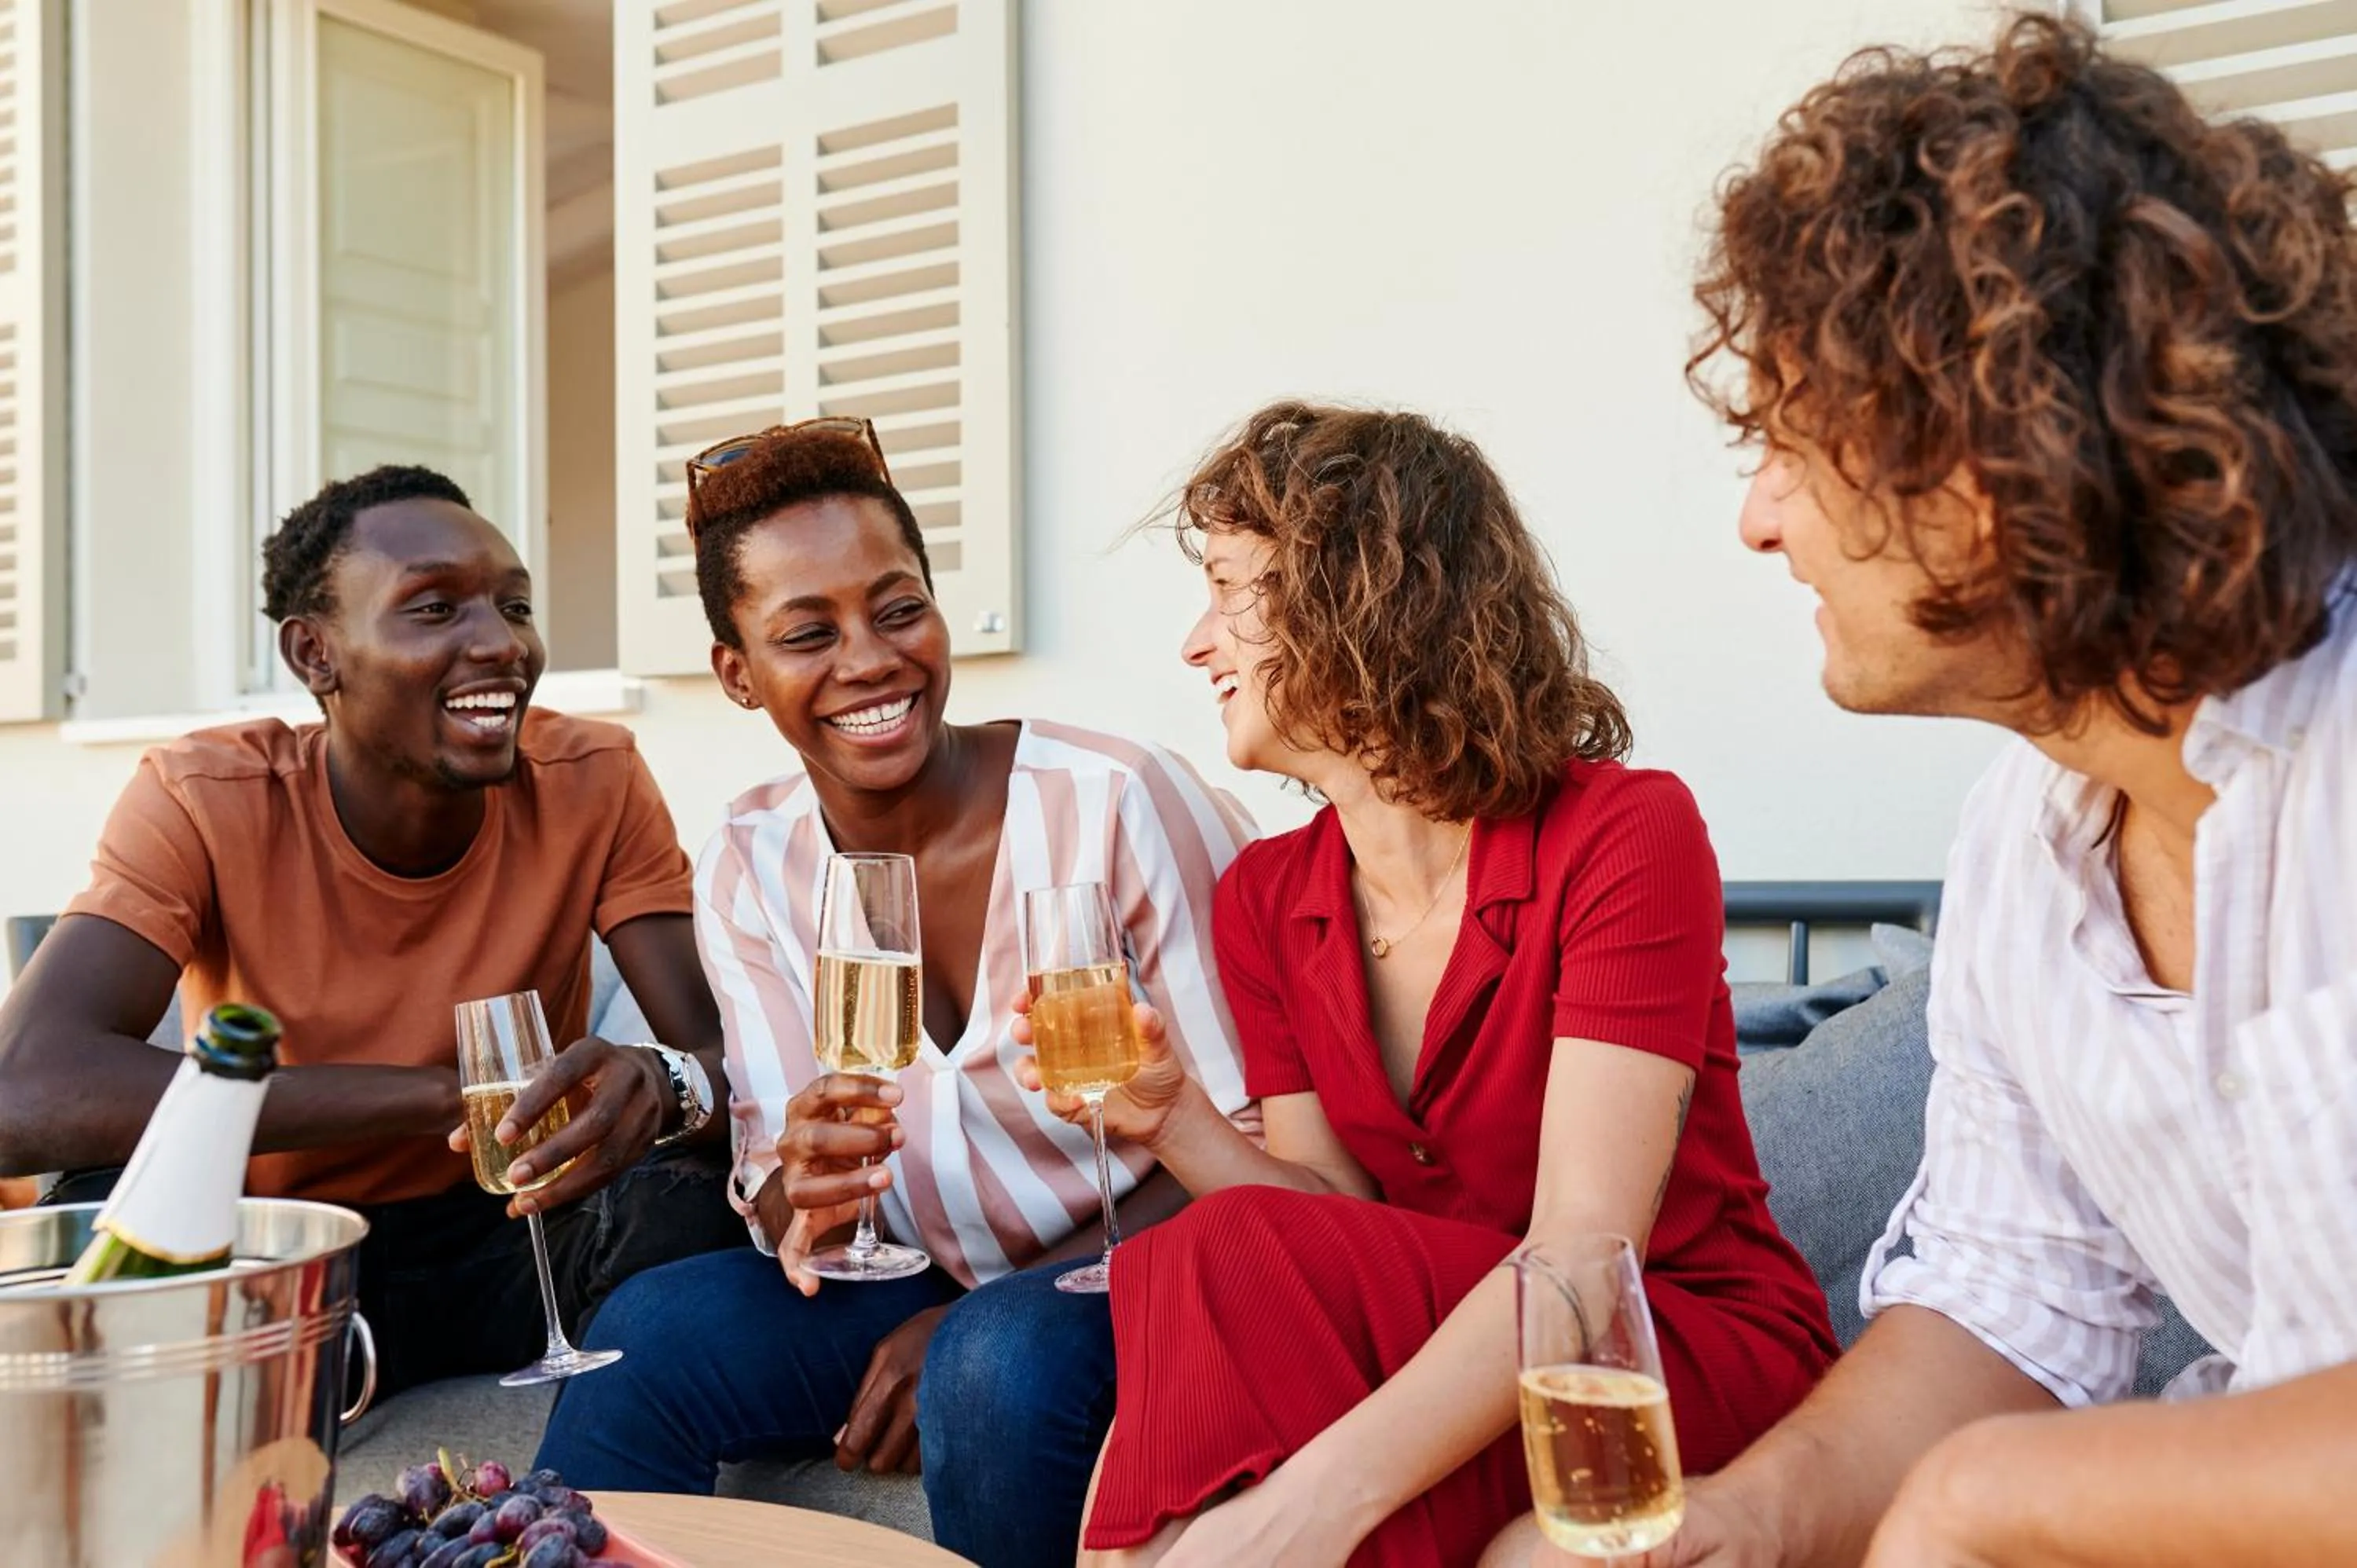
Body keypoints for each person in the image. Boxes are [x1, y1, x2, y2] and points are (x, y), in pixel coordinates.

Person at [1519, 16, 2356, 1567]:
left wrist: (1985, 1500)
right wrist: (1740, 1523)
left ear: (1996, 447)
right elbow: (2007, 1300)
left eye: (1793, 440)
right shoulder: (2029, 848)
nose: (1759, 520)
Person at [1021, 401, 1836, 1567]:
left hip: (1655, 1350)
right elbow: (1331, 1223)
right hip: (1439, 1344)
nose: (1197, 645)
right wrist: (1175, 1121)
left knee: (1246, 1418)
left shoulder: (1625, 835)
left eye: (1226, 589)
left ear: (1354, 598)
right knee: (1220, 1271)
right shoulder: (1266, 898)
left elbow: (1581, 1256)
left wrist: (1307, 1509)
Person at [531, 420, 1257, 1568]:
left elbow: (1247, 1141)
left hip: (1139, 1256)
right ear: (737, 674)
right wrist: (803, 1194)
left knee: (991, 1366)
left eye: (898, 608)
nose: (870, 660)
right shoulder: (751, 860)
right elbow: (777, 1185)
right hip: (908, 1274)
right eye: (807, 633)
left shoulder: (1116, 802)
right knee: (648, 1335)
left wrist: (975, 1315)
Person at [0, 465, 745, 1395]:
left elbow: (726, 1058)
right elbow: (23, 1090)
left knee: (694, 1202)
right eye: (434, 610)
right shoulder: (204, 795)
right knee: (103, 1227)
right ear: (316, 654)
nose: (500, 643)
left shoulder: (594, 776)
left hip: (514, 1232)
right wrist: (443, 1096)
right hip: (278, 1247)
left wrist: (663, 1084)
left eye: (515, 607)